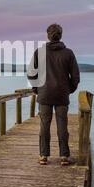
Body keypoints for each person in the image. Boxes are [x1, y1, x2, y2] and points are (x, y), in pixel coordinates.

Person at [28, 24, 80, 166]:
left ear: (48, 35)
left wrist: (36, 88)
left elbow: (31, 74)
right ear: (60, 35)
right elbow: (75, 77)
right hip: (62, 95)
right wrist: (68, 90)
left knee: (44, 125)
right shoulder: (68, 53)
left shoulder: (39, 52)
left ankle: (43, 156)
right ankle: (64, 156)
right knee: (62, 125)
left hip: (44, 94)